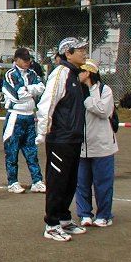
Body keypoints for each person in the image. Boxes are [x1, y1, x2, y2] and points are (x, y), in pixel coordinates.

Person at [35, 36, 90, 242]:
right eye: (80, 50)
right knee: (57, 181)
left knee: (70, 181)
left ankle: (64, 218)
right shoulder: (61, 73)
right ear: (68, 53)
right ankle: (51, 224)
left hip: (73, 138)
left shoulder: (75, 75)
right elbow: (47, 104)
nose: (84, 53)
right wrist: (43, 132)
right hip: (59, 138)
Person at [75, 59, 118, 227]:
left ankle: (104, 215)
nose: (77, 75)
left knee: (103, 183)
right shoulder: (75, 90)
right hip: (81, 145)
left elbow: (104, 111)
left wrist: (87, 99)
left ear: (88, 73)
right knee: (81, 183)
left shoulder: (104, 90)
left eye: (80, 71)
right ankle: (84, 214)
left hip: (102, 146)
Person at [1, 47, 46, 194]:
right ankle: (12, 181)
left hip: (29, 115)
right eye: (24, 59)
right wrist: (31, 90)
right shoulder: (10, 74)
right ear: (16, 60)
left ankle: (37, 181)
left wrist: (27, 89)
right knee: (12, 150)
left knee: (31, 150)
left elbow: (41, 88)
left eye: (28, 59)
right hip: (15, 116)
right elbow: (17, 94)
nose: (27, 62)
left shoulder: (32, 73)